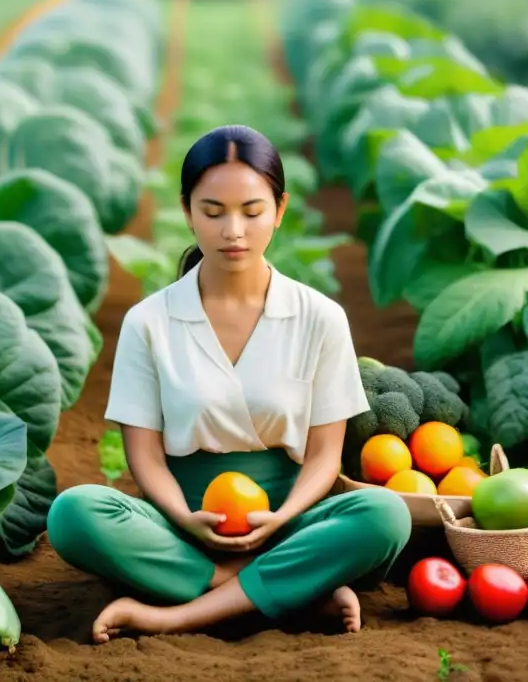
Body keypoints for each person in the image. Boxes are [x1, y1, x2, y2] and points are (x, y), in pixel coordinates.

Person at [46, 124, 412, 644]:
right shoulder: (150, 321)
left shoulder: (320, 318)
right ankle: (286, 591)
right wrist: (182, 516)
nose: (233, 230)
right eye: (213, 212)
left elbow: (324, 457)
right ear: (188, 210)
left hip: (286, 525)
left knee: (383, 515)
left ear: (280, 210)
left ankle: (173, 612)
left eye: (252, 211)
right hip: (182, 527)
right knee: (73, 514)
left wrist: (282, 515)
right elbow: (144, 456)